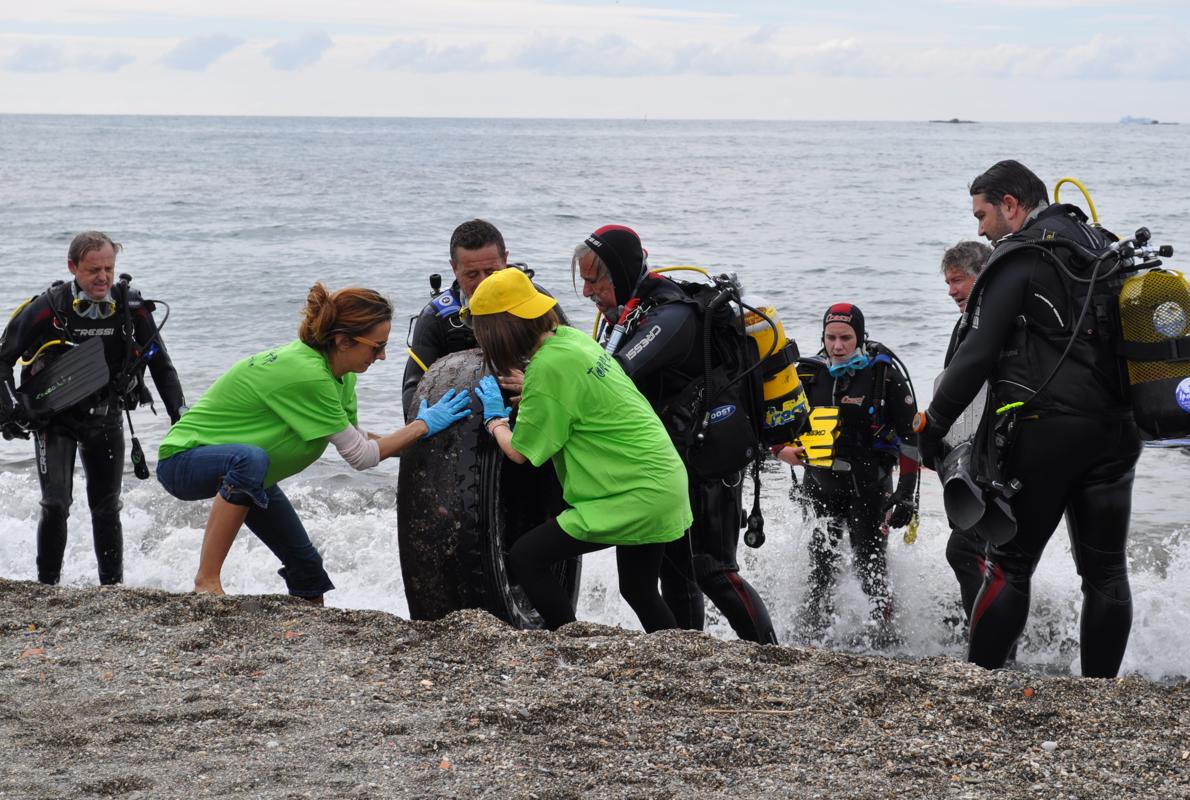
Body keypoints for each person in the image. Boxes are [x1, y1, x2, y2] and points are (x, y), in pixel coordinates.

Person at [917, 160, 1141, 677]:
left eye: (982, 215)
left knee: (1011, 566)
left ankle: (979, 681)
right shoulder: (1099, 244)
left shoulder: (1020, 256)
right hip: (1118, 431)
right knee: (1106, 571)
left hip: (1047, 434)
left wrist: (933, 424)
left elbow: (977, 353)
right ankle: (1100, 694)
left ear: (1011, 205)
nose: (979, 230)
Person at [157, 283, 471, 600]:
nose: (383, 356)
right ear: (343, 341)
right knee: (249, 461)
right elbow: (362, 457)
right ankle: (207, 582)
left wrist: (429, 439)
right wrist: (420, 426)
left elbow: (357, 439)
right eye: (376, 347)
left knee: (308, 571)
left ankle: (305, 633)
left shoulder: (341, 375)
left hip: (249, 478)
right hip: (184, 461)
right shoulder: (308, 374)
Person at [572, 225, 778, 644]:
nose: (588, 293)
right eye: (584, 281)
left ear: (623, 274)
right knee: (675, 572)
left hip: (709, 460)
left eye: (595, 281)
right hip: (671, 461)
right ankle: (688, 656)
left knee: (713, 570)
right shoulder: (633, 312)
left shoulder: (671, 315)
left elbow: (615, 373)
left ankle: (772, 655)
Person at [469, 267, 690, 632]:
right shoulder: (571, 340)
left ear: (497, 331)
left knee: (526, 557)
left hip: (634, 493)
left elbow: (521, 452)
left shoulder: (548, 367)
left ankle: (570, 637)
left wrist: (496, 423)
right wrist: (540, 392)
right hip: (662, 479)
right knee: (639, 589)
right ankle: (680, 657)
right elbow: (580, 394)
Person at [0, 231, 185, 586]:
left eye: (109, 269)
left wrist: (180, 417)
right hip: (55, 421)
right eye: (93, 270)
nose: (102, 278)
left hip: (106, 417)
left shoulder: (131, 308)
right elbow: (3, 359)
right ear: (72, 267)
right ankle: (47, 587)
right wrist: (8, 408)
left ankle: (111, 588)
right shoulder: (49, 308)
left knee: (106, 508)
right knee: (55, 504)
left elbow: (162, 366)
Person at [775, 303, 918, 647]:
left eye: (846, 338)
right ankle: (811, 636)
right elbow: (776, 422)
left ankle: (886, 639)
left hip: (869, 489)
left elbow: (912, 441)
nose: (838, 346)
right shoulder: (809, 374)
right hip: (820, 486)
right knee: (820, 566)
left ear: (860, 337)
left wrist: (905, 494)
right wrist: (780, 451)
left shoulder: (883, 376)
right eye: (831, 338)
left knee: (871, 567)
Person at [402, 219, 566, 418]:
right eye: (472, 274)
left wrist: (540, 389)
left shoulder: (536, 301)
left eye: (491, 272)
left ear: (505, 260)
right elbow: (412, 393)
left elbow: (574, 368)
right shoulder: (436, 318)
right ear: (454, 268)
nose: (483, 283)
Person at [938, 241, 992, 625]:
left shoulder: (994, 323)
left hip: (997, 457)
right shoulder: (967, 324)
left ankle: (990, 641)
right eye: (947, 283)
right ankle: (987, 633)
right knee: (982, 551)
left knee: (964, 549)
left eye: (958, 280)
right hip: (970, 456)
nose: (952, 291)